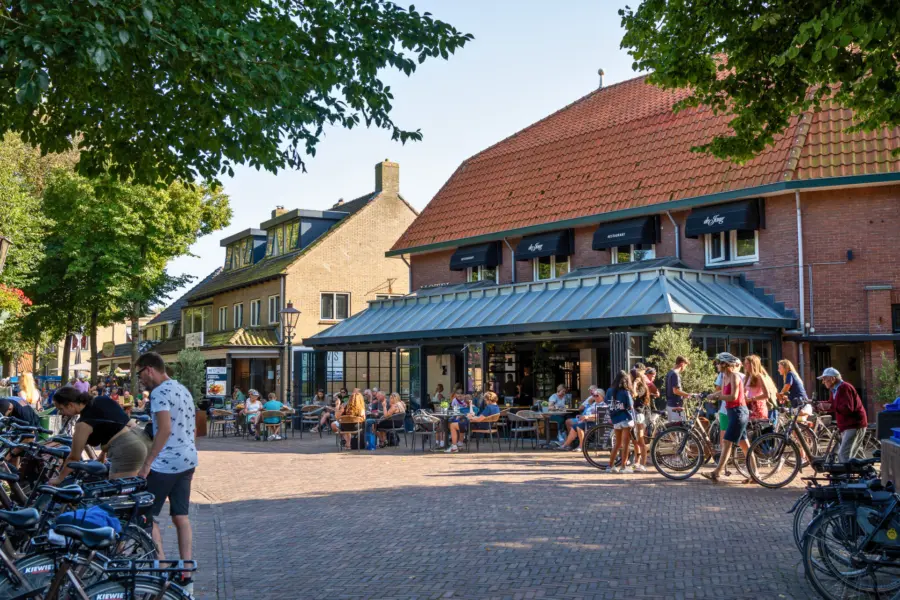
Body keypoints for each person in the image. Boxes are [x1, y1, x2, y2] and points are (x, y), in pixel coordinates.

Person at [135, 352, 197, 592]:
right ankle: (186, 573)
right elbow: (191, 428)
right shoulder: (182, 389)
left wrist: (147, 463)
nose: (140, 380)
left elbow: (164, 429)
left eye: (140, 373)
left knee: (145, 515)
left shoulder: (159, 393)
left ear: (149, 369)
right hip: (187, 460)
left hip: (165, 463)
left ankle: (159, 572)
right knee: (181, 516)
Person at [49, 387, 149, 484]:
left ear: (70, 405)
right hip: (142, 439)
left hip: (126, 449)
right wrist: (102, 455)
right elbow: (115, 425)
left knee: (118, 492)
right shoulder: (102, 400)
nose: (62, 413)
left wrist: (59, 479)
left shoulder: (83, 424)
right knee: (137, 488)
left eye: (61, 409)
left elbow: (74, 458)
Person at [702, 353, 756, 483]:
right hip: (732, 412)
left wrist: (717, 397)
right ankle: (756, 474)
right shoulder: (724, 376)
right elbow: (724, 392)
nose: (717, 365)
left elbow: (733, 396)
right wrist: (712, 394)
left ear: (725, 364)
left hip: (739, 412)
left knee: (727, 442)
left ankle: (716, 472)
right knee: (745, 445)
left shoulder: (734, 377)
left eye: (719, 363)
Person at [819, 368, 868, 462]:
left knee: (844, 455)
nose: (823, 382)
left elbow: (848, 408)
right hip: (847, 425)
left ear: (833, 379)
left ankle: (846, 476)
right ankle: (869, 473)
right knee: (857, 455)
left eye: (825, 379)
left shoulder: (844, 388)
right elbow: (832, 403)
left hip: (854, 424)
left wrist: (829, 406)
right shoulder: (835, 389)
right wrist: (819, 405)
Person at [607, 371, 635, 474]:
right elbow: (630, 406)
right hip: (625, 419)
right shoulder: (625, 392)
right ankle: (623, 467)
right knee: (626, 444)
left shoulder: (610, 391)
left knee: (617, 444)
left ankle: (610, 466)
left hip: (615, 419)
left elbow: (607, 402)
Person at [630, 366, 651, 472]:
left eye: (631, 376)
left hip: (639, 415)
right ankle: (636, 463)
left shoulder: (641, 387)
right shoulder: (637, 385)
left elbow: (634, 395)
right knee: (635, 441)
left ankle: (643, 464)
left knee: (641, 440)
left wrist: (634, 384)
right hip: (634, 414)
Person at [664, 357, 691, 422]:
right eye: (685, 365)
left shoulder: (669, 372)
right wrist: (688, 394)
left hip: (670, 404)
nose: (685, 368)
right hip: (676, 406)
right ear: (682, 364)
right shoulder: (675, 374)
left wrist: (683, 394)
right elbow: (675, 391)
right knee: (680, 428)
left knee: (672, 429)